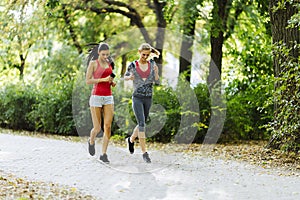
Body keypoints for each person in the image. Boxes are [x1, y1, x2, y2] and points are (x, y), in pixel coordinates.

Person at [124, 43, 160, 163]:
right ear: (139, 52)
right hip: (137, 98)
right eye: (143, 54)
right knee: (142, 124)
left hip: (148, 98)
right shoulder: (133, 65)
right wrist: (130, 78)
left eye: (147, 55)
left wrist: (156, 73)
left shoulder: (152, 64)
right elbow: (125, 76)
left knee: (142, 123)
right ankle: (144, 153)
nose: (145, 56)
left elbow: (156, 81)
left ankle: (131, 139)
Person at [86, 42, 116, 164]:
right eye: (103, 54)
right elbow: (88, 81)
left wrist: (111, 82)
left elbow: (109, 79)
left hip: (108, 97)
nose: (105, 57)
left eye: (107, 55)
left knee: (107, 126)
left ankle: (103, 154)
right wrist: (103, 80)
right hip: (96, 97)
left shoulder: (110, 64)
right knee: (97, 128)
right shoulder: (93, 64)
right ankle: (91, 141)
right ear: (98, 53)